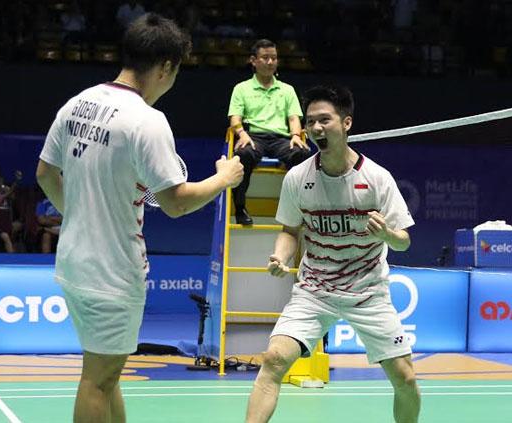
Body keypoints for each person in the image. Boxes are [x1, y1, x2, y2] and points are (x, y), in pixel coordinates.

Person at [36, 13, 242, 423]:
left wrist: (78, 215)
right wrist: (223, 179)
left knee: (107, 375)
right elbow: (177, 203)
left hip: (73, 262)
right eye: (177, 71)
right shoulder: (147, 120)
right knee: (97, 379)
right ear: (165, 67)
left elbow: (45, 173)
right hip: (112, 272)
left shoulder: (78, 102)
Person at [245, 86, 420, 423]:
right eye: (310, 122)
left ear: (347, 123)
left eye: (324, 120)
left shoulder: (377, 178)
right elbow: (290, 231)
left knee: (406, 378)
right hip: (314, 291)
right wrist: (280, 257)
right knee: (273, 361)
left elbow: (403, 242)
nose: (316, 128)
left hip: (368, 293)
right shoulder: (298, 178)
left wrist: (386, 234)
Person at [228, 39, 311, 225]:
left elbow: (293, 118)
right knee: (243, 154)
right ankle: (240, 207)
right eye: (265, 57)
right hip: (253, 136)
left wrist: (296, 136)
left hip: (281, 139)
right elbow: (235, 118)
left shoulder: (287, 90)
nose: (270, 62)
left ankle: (299, 209)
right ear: (253, 60)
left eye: (273, 58)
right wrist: (242, 134)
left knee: (302, 155)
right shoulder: (241, 89)